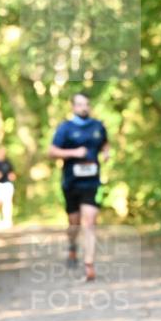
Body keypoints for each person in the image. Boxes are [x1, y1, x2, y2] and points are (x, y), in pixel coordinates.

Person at [49, 93, 109, 282]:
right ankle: (72, 246)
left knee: (89, 222)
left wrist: (106, 153)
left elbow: (105, 143)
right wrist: (73, 152)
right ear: (73, 107)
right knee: (74, 223)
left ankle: (89, 265)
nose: (84, 107)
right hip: (71, 183)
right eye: (80, 104)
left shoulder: (98, 126)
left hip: (92, 182)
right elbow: (51, 151)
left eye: (86, 104)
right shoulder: (65, 128)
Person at [0, 147, 16, 228]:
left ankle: (7, 220)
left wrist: (12, 176)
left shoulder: (8, 163)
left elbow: (13, 174)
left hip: (7, 184)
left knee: (8, 202)